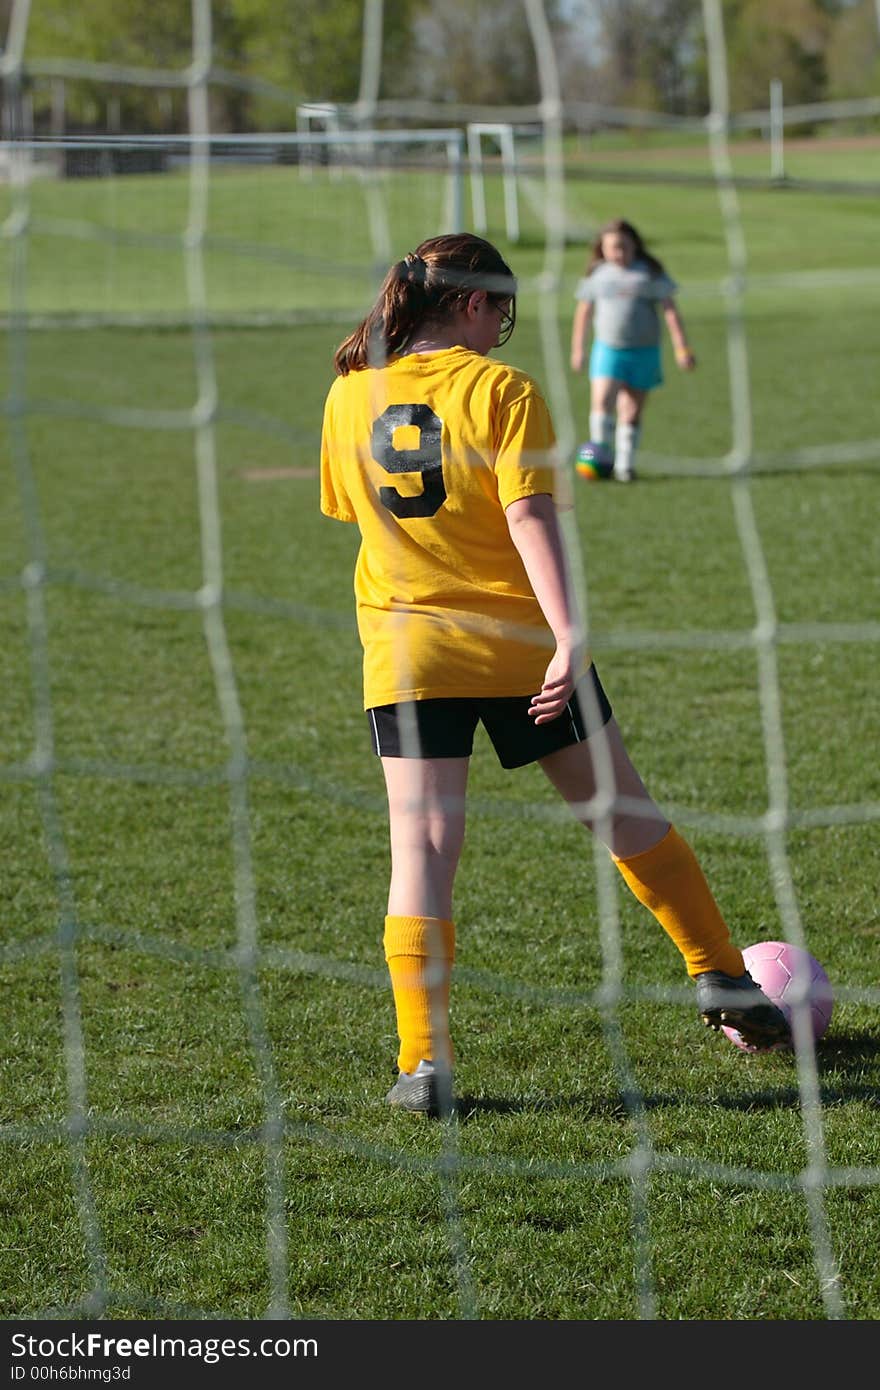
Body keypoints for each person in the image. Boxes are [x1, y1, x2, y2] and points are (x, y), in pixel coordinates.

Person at [319, 232, 788, 1117]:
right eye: (500, 307)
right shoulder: (502, 391)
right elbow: (528, 516)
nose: (504, 326)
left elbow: (361, 517)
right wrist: (572, 635)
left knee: (421, 852)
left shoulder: (348, 395)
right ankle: (720, 975)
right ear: (467, 303)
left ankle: (423, 1066)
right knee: (623, 811)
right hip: (519, 647)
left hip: (409, 651)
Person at [570, 217, 696, 482]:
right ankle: (600, 454)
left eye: (623, 246)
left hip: (644, 352)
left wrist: (681, 347)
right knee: (602, 401)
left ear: (634, 245)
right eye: (612, 247)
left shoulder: (648, 272)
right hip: (608, 350)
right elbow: (584, 312)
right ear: (602, 249)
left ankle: (625, 466)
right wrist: (578, 349)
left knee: (631, 410)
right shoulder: (598, 274)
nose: (618, 253)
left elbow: (670, 310)